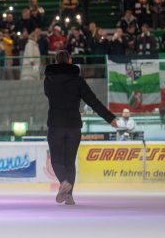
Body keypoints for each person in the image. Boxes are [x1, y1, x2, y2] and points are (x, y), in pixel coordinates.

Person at [44, 50, 118, 205]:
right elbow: (93, 101)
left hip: (56, 125)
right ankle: (69, 195)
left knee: (57, 160)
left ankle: (64, 182)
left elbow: (48, 94)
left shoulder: (49, 80)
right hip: (73, 126)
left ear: (56, 61)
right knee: (70, 161)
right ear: (70, 61)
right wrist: (109, 118)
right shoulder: (78, 81)